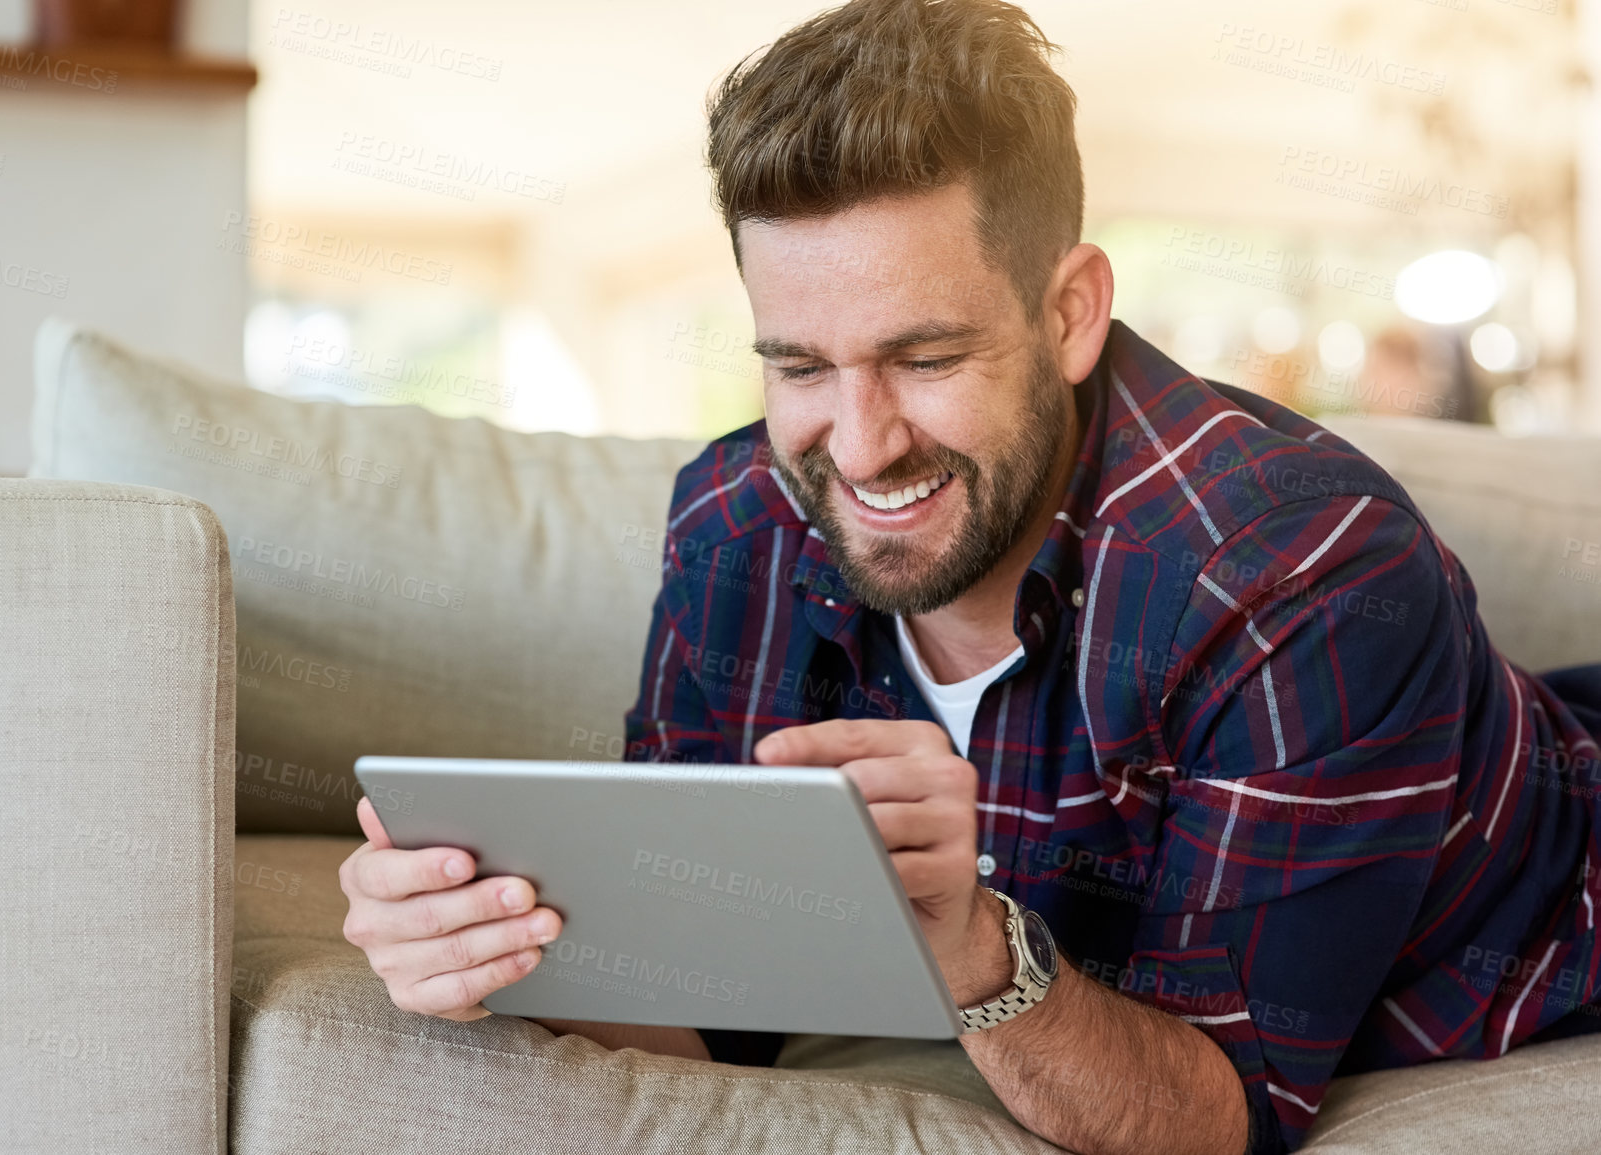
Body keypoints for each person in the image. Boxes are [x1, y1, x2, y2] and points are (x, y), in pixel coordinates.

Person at [339, 2, 1601, 1153]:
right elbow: (707, 1010)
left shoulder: (1301, 571)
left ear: (1070, 314)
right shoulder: (739, 524)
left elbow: (1219, 1115)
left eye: (926, 355)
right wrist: (504, 946)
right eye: (800, 367)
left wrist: (969, 940)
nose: (864, 441)